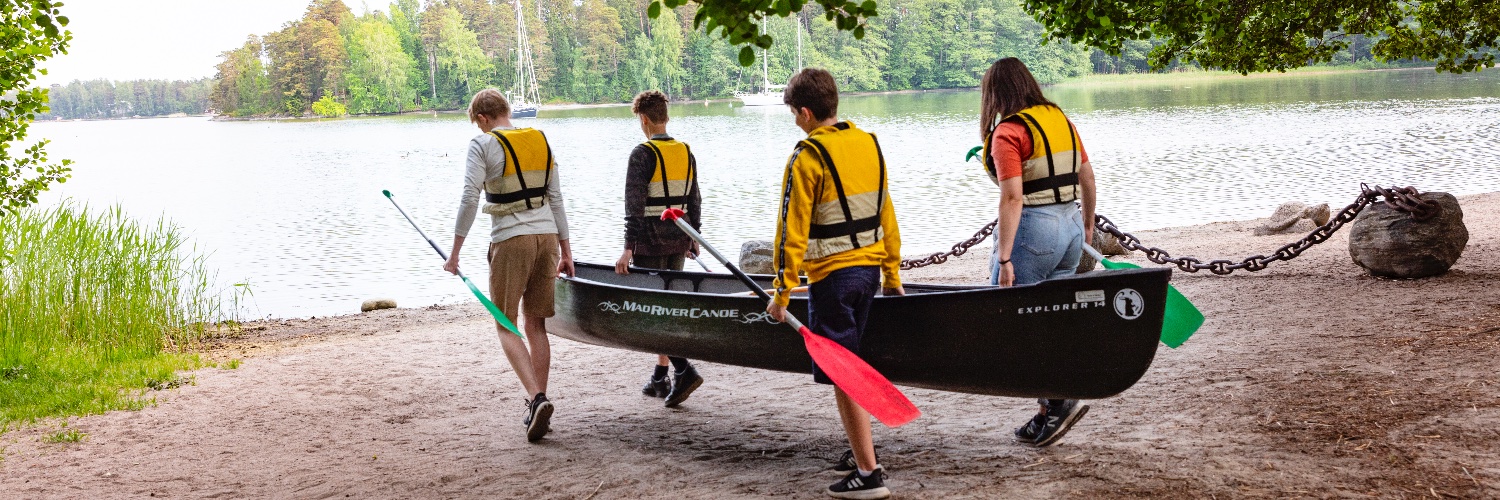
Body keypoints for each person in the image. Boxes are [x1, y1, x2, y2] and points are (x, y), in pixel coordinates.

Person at [766, 68, 903, 500]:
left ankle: (868, 472)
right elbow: (887, 212)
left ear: (806, 112)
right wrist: (892, 274)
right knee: (852, 364)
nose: (794, 122)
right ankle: (859, 450)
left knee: (845, 374)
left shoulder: (806, 156)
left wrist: (782, 293)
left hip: (831, 278)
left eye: (794, 114)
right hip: (868, 273)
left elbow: (792, 231)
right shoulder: (869, 144)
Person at [977, 57, 1098, 447]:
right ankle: (1047, 412)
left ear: (996, 93)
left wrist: (1006, 258)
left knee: (1015, 322)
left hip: (1035, 230)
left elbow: (1012, 198)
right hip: (1070, 226)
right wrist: (1089, 225)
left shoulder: (1008, 133)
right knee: (1051, 319)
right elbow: (1087, 175)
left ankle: (1060, 399)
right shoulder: (1060, 120)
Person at [446, 88, 575, 443]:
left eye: (478, 124)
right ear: (507, 110)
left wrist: (454, 253)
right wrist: (567, 250)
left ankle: (537, 398)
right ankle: (538, 401)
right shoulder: (540, 139)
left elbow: (470, 197)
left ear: (483, 118)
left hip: (512, 239)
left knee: (506, 323)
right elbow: (557, 198)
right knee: (537, 325)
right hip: (548, 238)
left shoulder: (482, 145)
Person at [614, 90, 705, 408]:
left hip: (651, 243)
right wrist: (695, 236)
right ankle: (659, 375)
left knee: (654, 314)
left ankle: (683, 370)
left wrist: (628, 248)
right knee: (668, 307)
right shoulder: (685, 151)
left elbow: (634, 207)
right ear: (665, 116)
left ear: (644, 119)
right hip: (679, 240)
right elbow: (694, 200)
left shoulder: (642, 154)